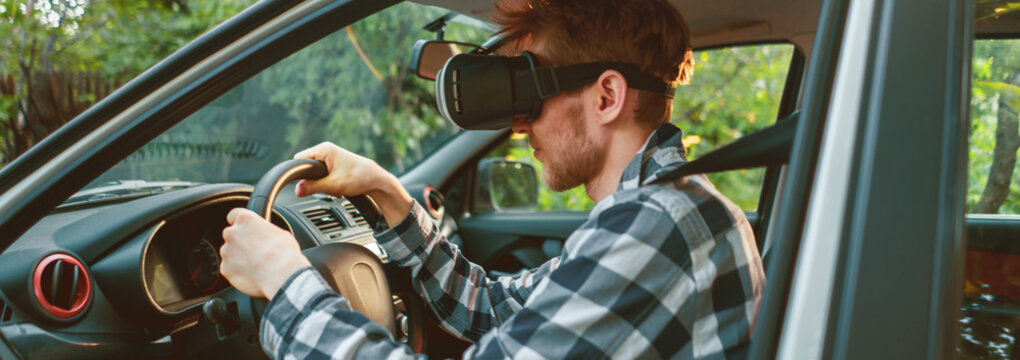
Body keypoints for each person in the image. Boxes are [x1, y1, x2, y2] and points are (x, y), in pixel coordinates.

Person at [218, 0, 766, 358]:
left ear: (606, 97)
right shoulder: (664, 208)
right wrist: (387, 192)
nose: (519, 123)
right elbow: (494, 309)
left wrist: (285, 280)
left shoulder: (657, 226)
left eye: (531, 95)